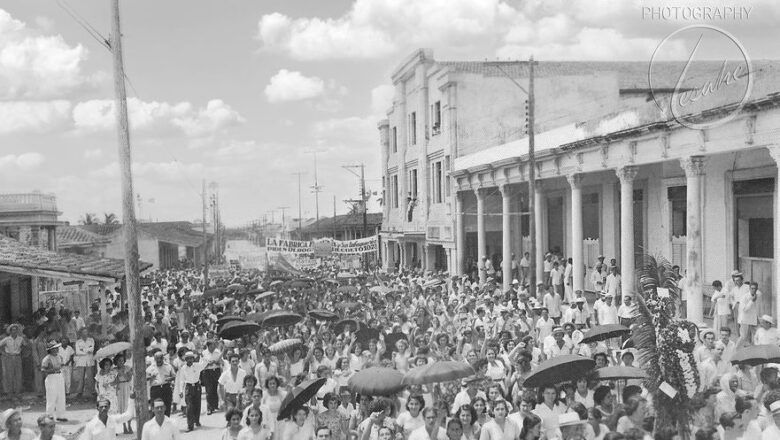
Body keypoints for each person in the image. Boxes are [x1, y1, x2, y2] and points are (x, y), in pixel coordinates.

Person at [40, 341, 67, 422]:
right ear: (50, 350)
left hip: (59, 376)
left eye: (56, 348)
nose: (56, 350)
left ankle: (60, 415)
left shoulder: (60, 357)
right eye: (54, 348)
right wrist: (51, 370)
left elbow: (62, 366)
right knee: (51, 397)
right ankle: (49, 415)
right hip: (51, 377)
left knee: (61, 396)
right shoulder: (47, 358)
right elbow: (43, 369)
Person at [0, 324, 27, 402]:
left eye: (16, 330)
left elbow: (26, 345)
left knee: (18, 375)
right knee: (10, 375)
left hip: (18, 357)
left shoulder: (21, 338)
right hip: (9, 357)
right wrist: (4, 353)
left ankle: (17, 393)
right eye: (13, 330)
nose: (14, 331)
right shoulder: (7, 339)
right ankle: (10, 394)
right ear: (10, 331)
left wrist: (23, 354)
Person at [146, 352, 176, 416]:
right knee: (155, 408)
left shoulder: (168, 366)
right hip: (155, 389)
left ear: (163, 358)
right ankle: (155, 424)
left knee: (167, 407)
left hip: (166, 388)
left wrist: (170, 379)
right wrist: (150, 377)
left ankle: (166, 424)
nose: (159, 360)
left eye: (160, 358)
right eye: (157, 358)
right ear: (155, 359)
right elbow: (145, 378)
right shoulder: (150, 367)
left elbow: (174, 376)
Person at [72, 328, 95, 400]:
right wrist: (86, 351)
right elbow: (78, 352)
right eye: (83, 332)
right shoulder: (78, 342)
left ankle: (92, 391)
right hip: (81, 361)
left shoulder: (91, 340)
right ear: (81, 333)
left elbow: (92, 349)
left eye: (86, 332)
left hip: (89, 361)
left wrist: (83, 350)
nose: (85, 333)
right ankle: (79, 392)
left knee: (90, 377)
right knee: (80, 378)